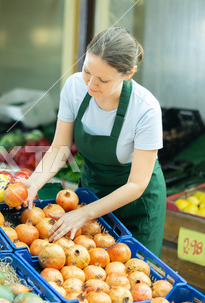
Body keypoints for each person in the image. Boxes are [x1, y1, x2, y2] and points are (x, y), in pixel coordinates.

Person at [22, 27, 166, 256]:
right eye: (87, 71)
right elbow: (60, 148)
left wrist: (85, 214)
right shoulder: (74, 87)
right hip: (92, 191)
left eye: (104, 80)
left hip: (136, 206)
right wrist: (34, 182)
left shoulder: (145, 109)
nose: (90, 85)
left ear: (128, 74)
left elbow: (136, 185)